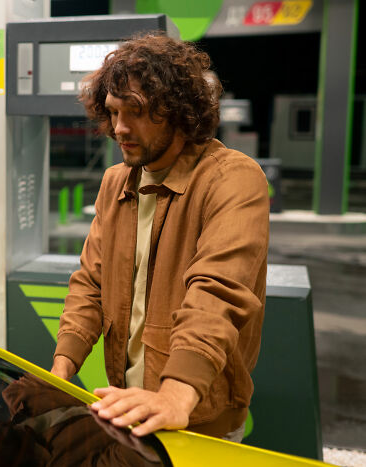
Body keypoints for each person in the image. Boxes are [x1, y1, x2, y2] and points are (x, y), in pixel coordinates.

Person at [50, 33, 269, 442]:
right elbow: (90, 284)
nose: (120, 128)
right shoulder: (116, 181)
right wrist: (61, 368)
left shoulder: (232, 179)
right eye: (113, 112)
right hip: (130, 408)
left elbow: (217, 292)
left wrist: (175, 395)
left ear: (178, 110)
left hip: (198, 420)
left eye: (135, 111)